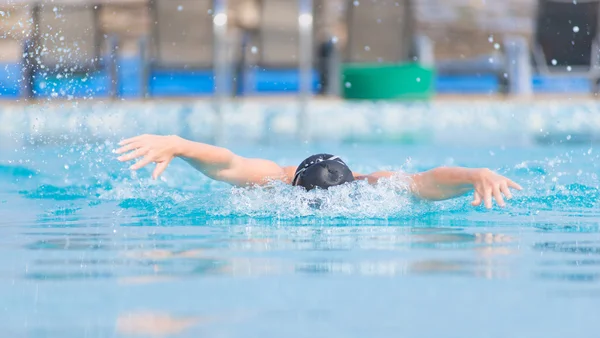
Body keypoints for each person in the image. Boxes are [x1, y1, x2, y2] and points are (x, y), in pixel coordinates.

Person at [115, 134, 522, 209]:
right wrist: (179, 144)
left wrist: (475, 173)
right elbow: (229, 162)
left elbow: (425, 181)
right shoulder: (273, 177)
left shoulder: (370, 183)